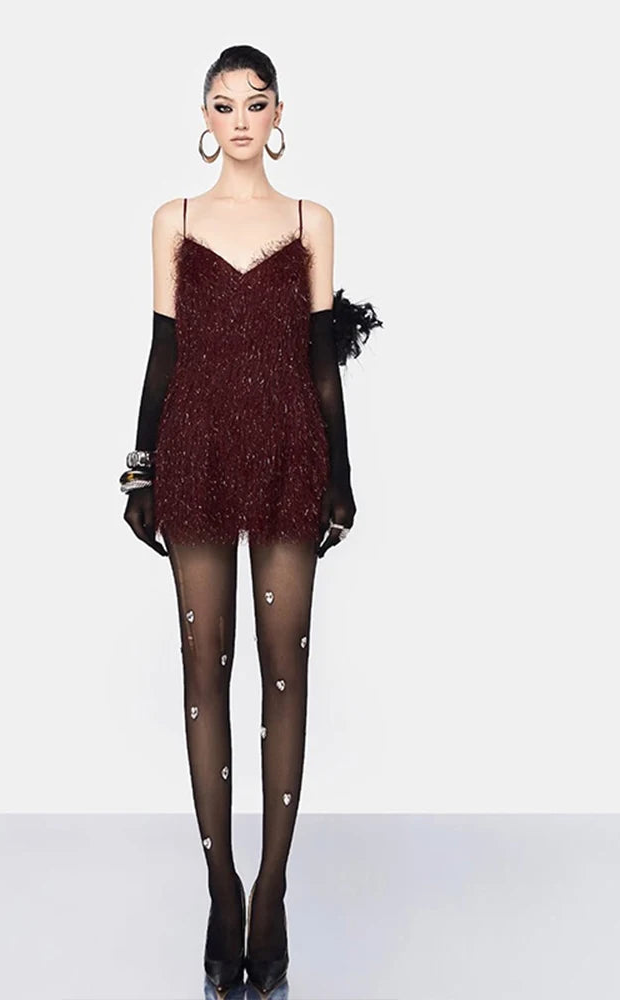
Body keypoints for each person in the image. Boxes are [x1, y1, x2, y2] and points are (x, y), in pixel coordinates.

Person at [120, 45, 382, 997]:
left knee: (284, 670)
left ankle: (271, 893)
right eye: (223, 104)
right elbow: (163, 351)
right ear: (204, 116)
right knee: (205, 671)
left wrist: (340, 474)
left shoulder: (311, 220)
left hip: (286, 451)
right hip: (195, 447)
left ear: (278, 116)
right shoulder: (175, 219)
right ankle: (221, 892)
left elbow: (322, 360)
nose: (239, 119)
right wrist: (140, 469)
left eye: (255, 103)